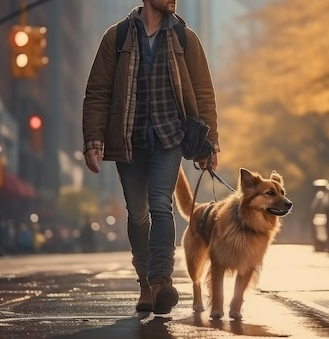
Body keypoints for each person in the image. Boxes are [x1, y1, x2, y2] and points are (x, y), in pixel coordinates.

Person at [82, 0, 219, 315]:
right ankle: (144, 284)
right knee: (137, 213)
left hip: (169, 137)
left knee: (161, 205)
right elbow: (98, 91)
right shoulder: (116, 38)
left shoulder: (186, 38)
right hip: (128, 139)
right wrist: (94, 139)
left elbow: (204, 92)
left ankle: (161, 282)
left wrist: (210, 142)